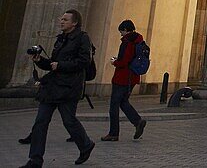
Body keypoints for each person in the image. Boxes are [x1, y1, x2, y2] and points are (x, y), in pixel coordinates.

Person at [21, 9, 95, 168]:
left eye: (65, 19)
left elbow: (84, 62)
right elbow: (53, 64)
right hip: (52, 88)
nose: (61, 21)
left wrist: (61, 65)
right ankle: (35, 160)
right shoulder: (61, 39)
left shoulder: (83, 38)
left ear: (74, 23)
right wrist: (40, 60)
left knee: (69, 121)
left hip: (69, 88)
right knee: (40, 122)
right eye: (61, 19)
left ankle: (86, 145)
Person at [103, 19, 147, 141]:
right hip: (132, 77)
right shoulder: (138, 41)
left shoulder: (128, 42)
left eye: (121, 31)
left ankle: (113, 133)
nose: (121, 34)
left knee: (114, 105)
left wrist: (115, 62)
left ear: (126, 30)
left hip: (122, 78)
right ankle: (137, 121)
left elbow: (124, 61)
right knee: (123, 102)